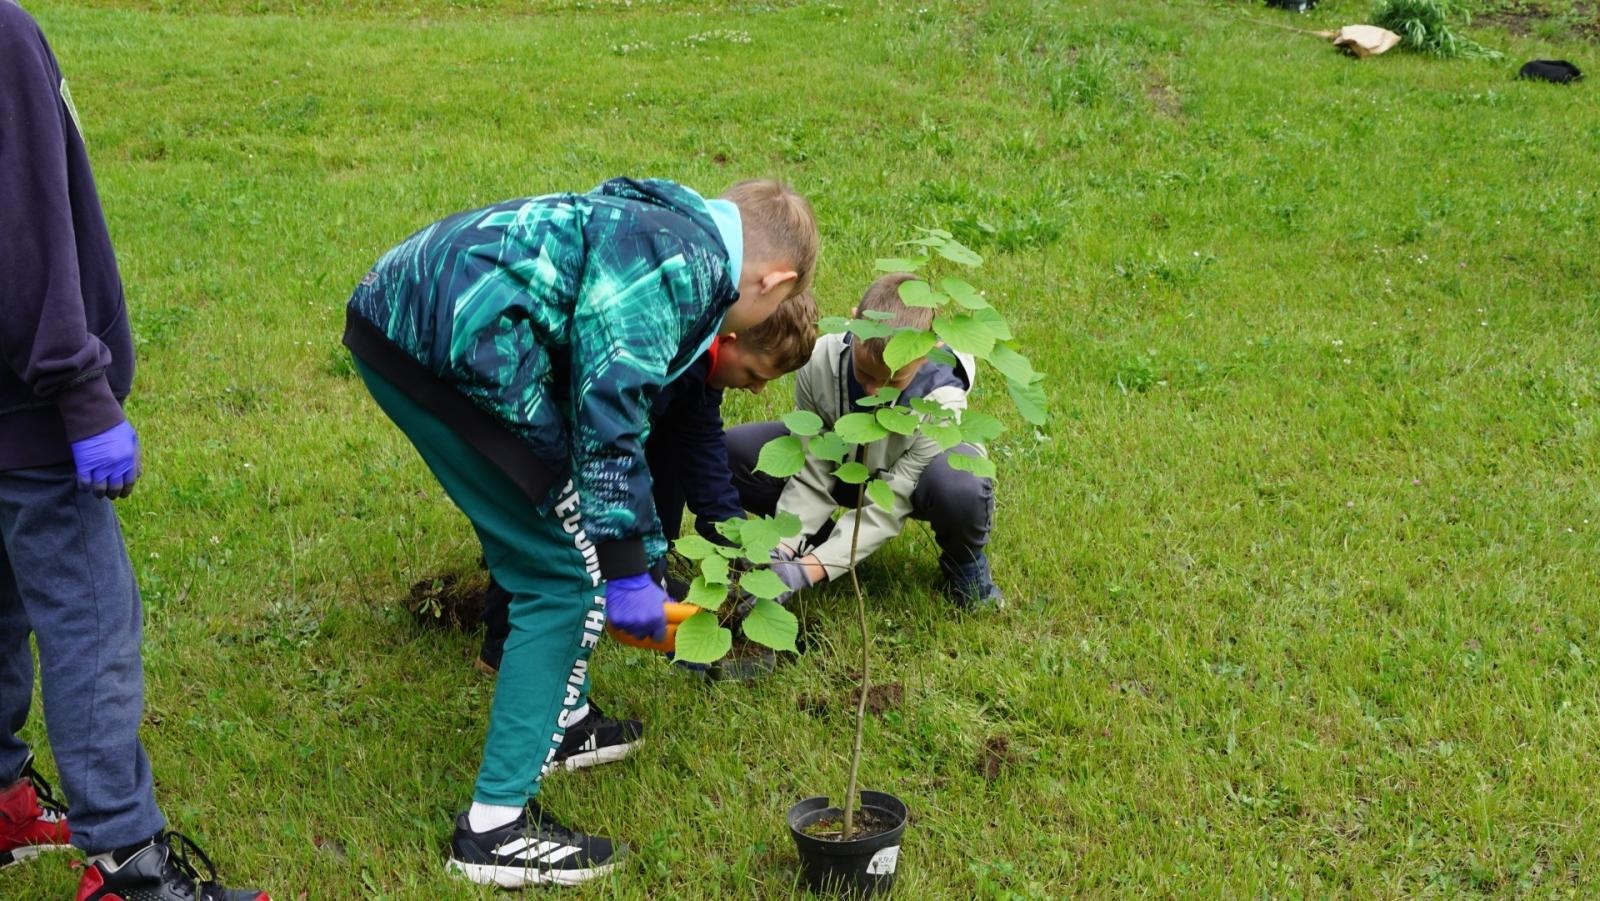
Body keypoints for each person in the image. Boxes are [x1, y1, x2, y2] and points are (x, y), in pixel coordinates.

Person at [342, 177, 817, 887]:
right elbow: (609, 407)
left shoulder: (671, 221)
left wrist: (645, 562)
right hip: (451, 346)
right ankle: (493, 830)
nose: (740, 328)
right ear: (773, 277)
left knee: (548, 533)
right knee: (562, 578)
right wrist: (625, 570)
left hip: (406, 315)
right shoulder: (691, 267)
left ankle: (561, 721)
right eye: (769, 308)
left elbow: (596, 369)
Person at [0, 4, 269, 899]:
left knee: (2, 603)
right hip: (30, 407)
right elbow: (25, 228)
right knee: (90, 619)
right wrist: (79, 390)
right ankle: (127, 866)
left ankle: (2, 799)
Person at [473, 289, 821, 676]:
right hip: (545, 427)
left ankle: (645, 584)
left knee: (673, 445)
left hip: (608, 439)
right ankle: (501, 648)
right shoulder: (662, 354)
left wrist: (740, 546)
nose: (757, 389)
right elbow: (616, 465)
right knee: (549, 529)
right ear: (729, 338)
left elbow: (702, 451)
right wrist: (644, 566)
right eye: (755, 374)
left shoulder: (700, 366)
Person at [728, 272, 1002, 609]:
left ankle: (965, 562)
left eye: (893, 380)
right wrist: (781, 547)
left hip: (916, 487)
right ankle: (821, 545)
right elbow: (811, 465)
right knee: (734, 453)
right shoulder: (819, 361)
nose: (874, 390)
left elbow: (890, 505)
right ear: (854, 321)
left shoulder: (942, 403)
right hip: (846, 469)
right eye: (865, 374)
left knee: (960, 487)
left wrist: (805, 574)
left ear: (931, 347)